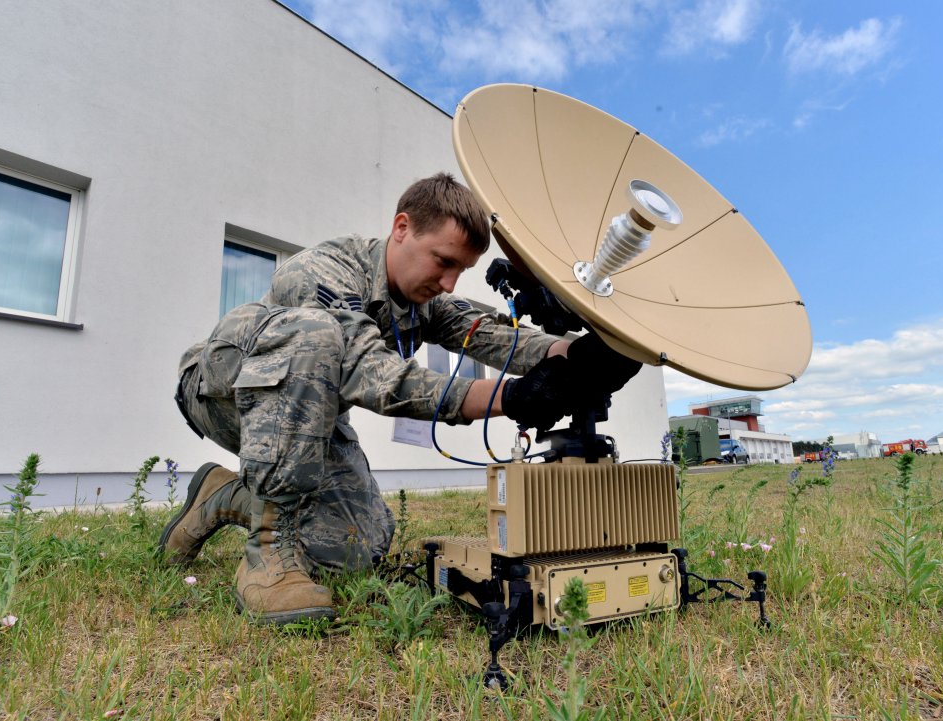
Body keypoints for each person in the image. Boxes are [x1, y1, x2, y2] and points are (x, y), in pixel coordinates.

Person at [159, 172, 638, 625]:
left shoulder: (422, 299)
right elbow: (373, 370)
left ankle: (224, 496)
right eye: (443, 261)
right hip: (223, 392)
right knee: (318, 334)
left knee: (357, 548)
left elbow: (491, 335)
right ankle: (266, 554)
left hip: (306, 424)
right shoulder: (321, 272)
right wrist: (510, 397)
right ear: (402, 228)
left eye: (462, 269)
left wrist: (574, 356)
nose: (450, 282)